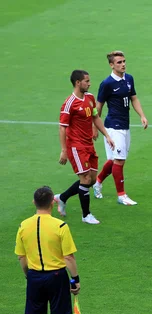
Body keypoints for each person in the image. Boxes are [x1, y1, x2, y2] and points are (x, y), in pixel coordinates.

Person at [15, 186, 80, 314]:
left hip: (35, 276)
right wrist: (75, 279)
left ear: (34, 202)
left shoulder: (23, 226)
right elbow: (69, 258)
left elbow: (21, 257)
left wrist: (29, 275)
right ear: (53, 202)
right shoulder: (60, 226)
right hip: (57, 277)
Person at [55, 70, 115, 225]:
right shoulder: (69, 103)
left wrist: (107, 135)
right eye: (86, 81)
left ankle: (62, 198)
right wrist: (64, 150)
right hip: (76, 146)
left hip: (89, 144)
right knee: (85, 178)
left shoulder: (89, 98)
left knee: (91, 180)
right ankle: (86, 215)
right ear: (77, 82)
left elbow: (95, 116)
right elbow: (62, 127)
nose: (89, 83)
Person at [93, 50, 148, 206]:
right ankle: (121, 195)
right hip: (113, 126)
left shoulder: (129, 79)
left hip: (125, 125)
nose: (123, 64)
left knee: (114, 160)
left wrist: (142, 116)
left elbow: (134, 98)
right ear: (111, 65)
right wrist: (95, 127)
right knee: (119, 160)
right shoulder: (107, 84)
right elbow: (98, 106)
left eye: (124, 61)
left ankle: (97, 182)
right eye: (119, 62)